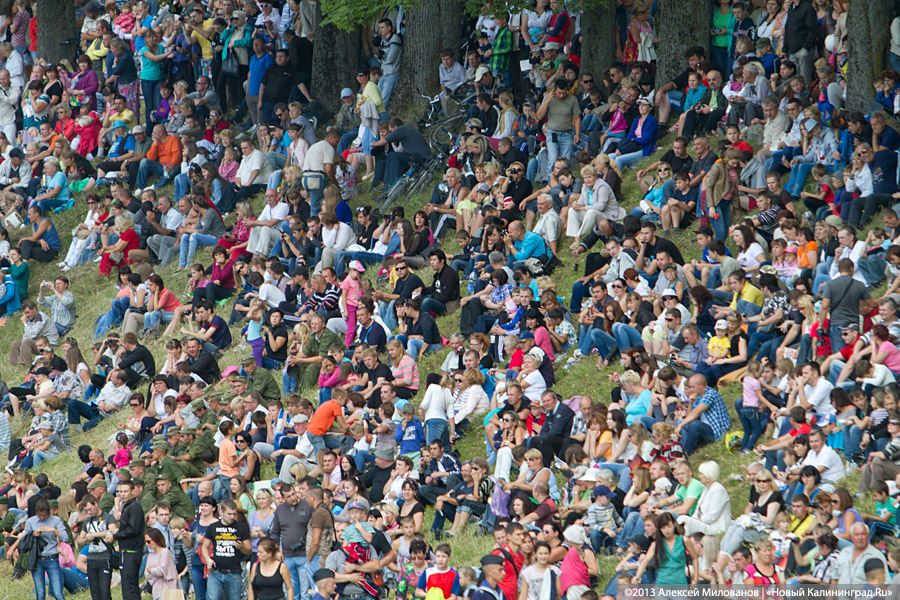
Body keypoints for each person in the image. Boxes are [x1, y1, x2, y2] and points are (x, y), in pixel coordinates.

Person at [202, 499, 252, 600]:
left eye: (234, 514)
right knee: (212, 598)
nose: (232, 517)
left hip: (234, 571)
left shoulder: (241, 528)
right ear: (221, 512)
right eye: (229, 514)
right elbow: (204, 547)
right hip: (216, 571)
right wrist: (208, 559)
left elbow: (249, 550)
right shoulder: (213, 527)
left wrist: (241, 547)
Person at [113, 480, 145, 600]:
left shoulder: (135, 506)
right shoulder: (126, 506)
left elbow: (133, 529)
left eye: (125, 491)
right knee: (128, 585)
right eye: (120, 491)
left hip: (132, 550)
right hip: (126, 550)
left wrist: (116, 535)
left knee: (129, 585)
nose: (122, 494)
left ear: (133, 491)